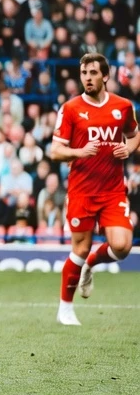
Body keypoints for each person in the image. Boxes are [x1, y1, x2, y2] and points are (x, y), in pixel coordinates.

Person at [47, 53, 139, 326]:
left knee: (122, 246)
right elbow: (55, 151)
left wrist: (129, 148)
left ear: (105, 76)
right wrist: (80, 151)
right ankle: (65, 308)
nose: (87, 78)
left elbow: (135, 136)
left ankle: (91, 264)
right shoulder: (71, 108)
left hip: (112, 191)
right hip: (82, 191)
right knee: (79, 248)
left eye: (93, 73)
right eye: (84, 73)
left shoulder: (123, 106)